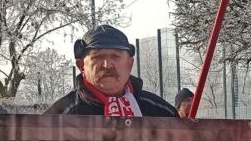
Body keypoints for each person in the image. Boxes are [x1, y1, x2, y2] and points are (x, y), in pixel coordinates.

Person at [46, 24, 177, 116]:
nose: (107, 65)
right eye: (97, 57)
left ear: (130, 64)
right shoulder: (57, 119)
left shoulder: (161, 113)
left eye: (115, 56)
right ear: (81, 66)